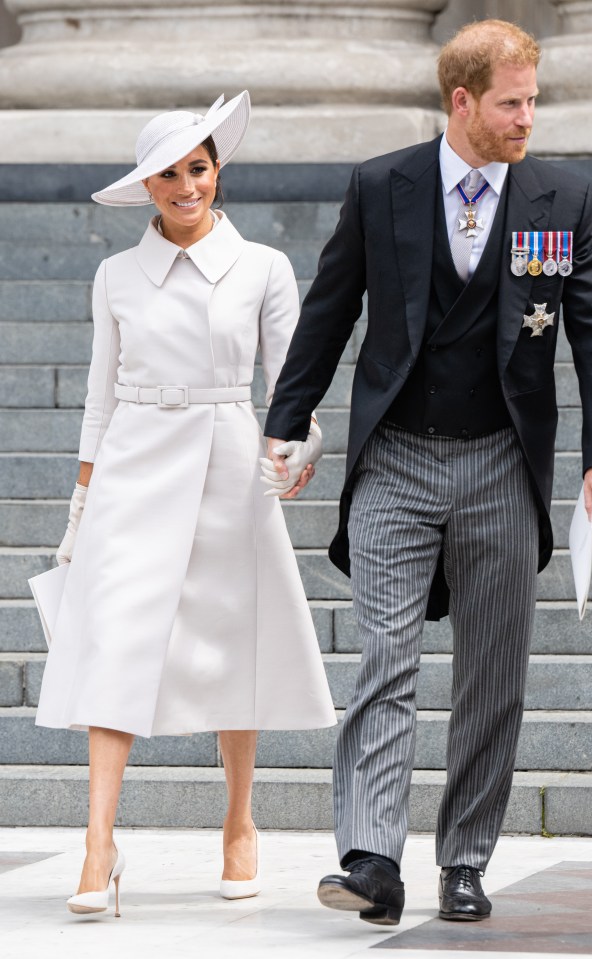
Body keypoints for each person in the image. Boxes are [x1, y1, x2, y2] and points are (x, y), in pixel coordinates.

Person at [262, 20, 592, 925]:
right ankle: (372, 857)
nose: (528, 118)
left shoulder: (561, 196)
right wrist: (285, 418)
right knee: (385, 657)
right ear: (462, 102)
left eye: (533, 100)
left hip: (502, 461)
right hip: (395, 458)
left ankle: (464, 860)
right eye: (512, 102)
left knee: (491, 671)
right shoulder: (380, 184)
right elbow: (331, 305)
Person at [35, 91, 335, 917]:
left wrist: (300, 446)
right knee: (113, 643)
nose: (185, 186)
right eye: (167, 174)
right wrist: (79, 504)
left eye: (197, 169)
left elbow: (294, 381)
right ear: (146, 186)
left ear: (217, 171)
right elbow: (98, 396)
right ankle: (100, 841)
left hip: (229, 460)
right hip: (133, 458)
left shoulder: (264, 267)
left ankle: (240, 819)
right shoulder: (114, 275)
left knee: (231, 640)